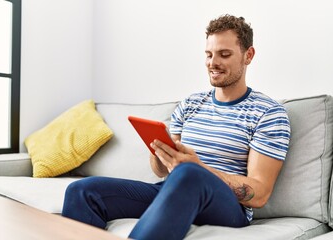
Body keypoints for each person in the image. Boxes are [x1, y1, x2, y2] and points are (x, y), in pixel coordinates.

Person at [62, 14, 291, 240]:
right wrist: (161, 153)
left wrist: (199, 167)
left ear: (248, 55)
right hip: (174, 188)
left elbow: (259, 194)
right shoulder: (191, 103)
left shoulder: (268, 113)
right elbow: (161, 172)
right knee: (82, 191)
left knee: (190, 174)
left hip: (227, 207)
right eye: (209, 54)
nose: (213, 63)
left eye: (224, 54)